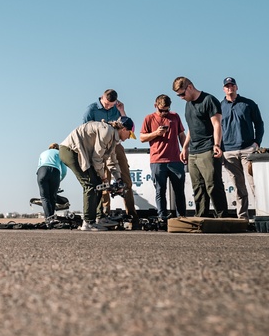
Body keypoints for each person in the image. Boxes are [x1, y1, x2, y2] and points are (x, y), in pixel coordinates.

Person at [59, 118, 134, 231]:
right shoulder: (107, 131)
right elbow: (97, 158)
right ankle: (88, 222)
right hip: (70, 151)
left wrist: (118, 180)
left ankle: (99, 218)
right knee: (90, 184)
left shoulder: (113, 138)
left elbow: (112, 161)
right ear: (123, 129)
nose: (129, 137)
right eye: (130, 133)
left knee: (98, 184)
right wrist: (104, 178)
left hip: (78, 152)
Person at [173, 76, 228, 217]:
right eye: (178, 95)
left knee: (213, 185)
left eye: (182, 94)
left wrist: (216, 145)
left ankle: (223, 217)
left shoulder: (209, 100)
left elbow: (217, 124)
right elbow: (192, 128)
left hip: (208, 148)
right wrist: (185, 147)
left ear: (189, 87)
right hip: (194, 151)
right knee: (198, 187)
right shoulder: (188, 105)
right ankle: (201, 217)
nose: (181, 97)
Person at [82, 90, 138, 221]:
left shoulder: (116, 108)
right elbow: (85, 131)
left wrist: (122, 110)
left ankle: (132, 214)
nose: (108, 107)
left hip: (115, 144)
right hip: (99, 147)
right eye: (106, 104)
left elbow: (127, 125)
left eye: (111, 105)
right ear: (102, 98)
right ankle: (103, 214)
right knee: (104, 180)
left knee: (125, 179)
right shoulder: (91, 109)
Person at [220, 77, 264, 220]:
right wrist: (220, 148)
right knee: (238, 187)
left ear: (236, 87)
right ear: (224, 89)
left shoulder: (248, 104)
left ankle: (263, 214)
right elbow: (216, 128)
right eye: (227, 86)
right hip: (228, 152)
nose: (229, 88)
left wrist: (256, 143)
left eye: (232, 85)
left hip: (247, 150)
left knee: (254, 184)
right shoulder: (219, 107)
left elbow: (259, 124)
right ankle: (242, 217)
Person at [139, 94, 187, 220]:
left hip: (175, 159)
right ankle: (162, 217)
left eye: (167, 110)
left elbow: (182, 135)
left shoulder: (175, 117)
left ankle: (182, 217)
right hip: (157, 160)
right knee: (160, 191)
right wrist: (156, 133)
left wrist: (185, 150)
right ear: (155, 106)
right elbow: (142, 138)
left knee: (179, 191)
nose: (165, 113)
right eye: (162, 110)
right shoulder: (149, 118)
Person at [36, 143, 67, 226]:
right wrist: (58, 180)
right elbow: (64, 171)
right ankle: (52, 219)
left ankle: (48, 219)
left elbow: (38, 167)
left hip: (42, 171)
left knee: (44, 197)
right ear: (58, 148)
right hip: (55, 172)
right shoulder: (60, 153)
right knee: (53, 197)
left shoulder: (43, 153)